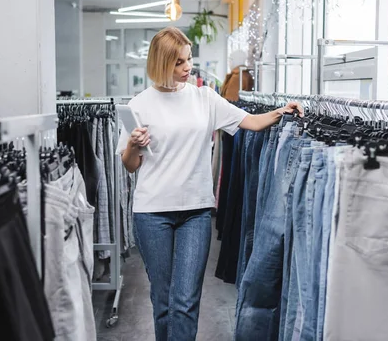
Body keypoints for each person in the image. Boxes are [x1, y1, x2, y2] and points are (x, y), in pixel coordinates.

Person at [116, 27, 303, 341]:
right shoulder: (139, 105)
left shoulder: (205, 98)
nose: (187, 67)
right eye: (178, 62)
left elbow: (251, 122)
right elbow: (130, 164)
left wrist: (280, 111)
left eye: (188, 59)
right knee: (163, 302)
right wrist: (134, 145)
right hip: (152, 214)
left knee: (185, 302)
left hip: (196, 213)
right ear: (161, 63)